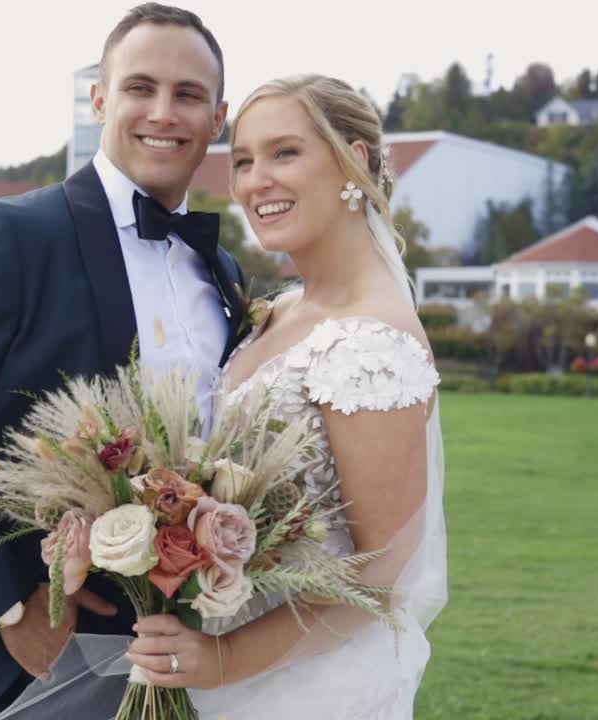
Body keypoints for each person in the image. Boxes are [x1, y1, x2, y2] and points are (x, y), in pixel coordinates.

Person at [0, 4, 243, 717]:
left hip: (205, 639)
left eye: (188, 95)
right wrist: (7, 605)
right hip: (61, 645)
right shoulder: (13, 235)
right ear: (99, 100)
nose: (162, 112)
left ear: (218, 116)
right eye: (139, 87)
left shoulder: (224, 270)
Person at [123, 75, 448, 719]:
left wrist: (225, 661)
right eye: (242, 160)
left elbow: (381, 575)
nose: (255, 181)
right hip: (215, 657)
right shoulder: (281, 311)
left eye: (285, 153)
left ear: (354, 159)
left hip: (310, 686)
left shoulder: (371, 341)